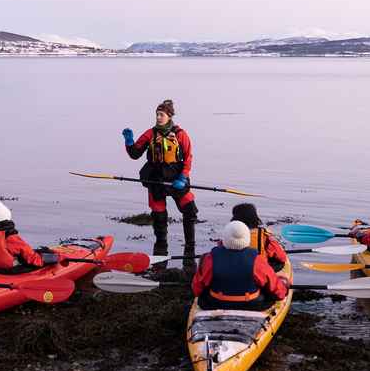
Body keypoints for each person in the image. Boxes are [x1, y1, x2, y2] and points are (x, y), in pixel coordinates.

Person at [123, 99, 198, 256]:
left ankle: (190, 247)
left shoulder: (180, 134)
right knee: (158, 214)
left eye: (161, 114)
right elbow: (135, 154)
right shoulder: (150, 134)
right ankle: (161, 246)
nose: (158, 117)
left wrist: (183, 177)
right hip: (155, 177)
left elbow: (188, 157)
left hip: (176, 177)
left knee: (189, 210)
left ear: (169, 116)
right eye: (157, 114)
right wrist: (129, 142)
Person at [192, 220, 290, 311]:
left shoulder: (209, 259)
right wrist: (283, 289)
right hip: (251, 304)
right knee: (270, 291)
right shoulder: (257, 260)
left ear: (224, 239)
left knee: (204, 293)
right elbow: (278, 292)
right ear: (247, 239)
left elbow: (197, 289)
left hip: (216, 303)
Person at [231, 203, 289, 273]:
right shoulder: (264, 236)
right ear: (255, 218)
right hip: (258, 270)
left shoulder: (229, 235)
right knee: (280, 262)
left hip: (235, 269)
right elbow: (281, 257)